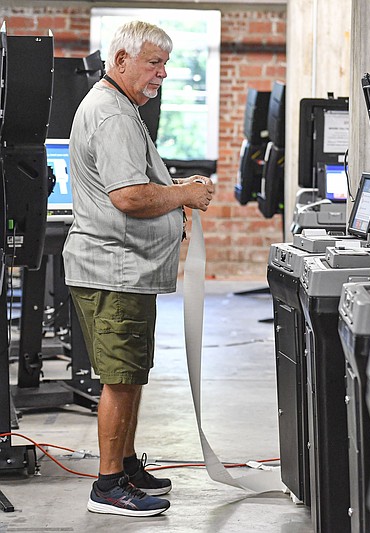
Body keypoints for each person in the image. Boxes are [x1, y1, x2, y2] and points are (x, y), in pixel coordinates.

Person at [62, 21, 215, 517]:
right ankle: (108, 486)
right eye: (154, 63)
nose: (163, 74)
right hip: (113, 270)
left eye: (165, 64)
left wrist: (174, 201)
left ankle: (125, 463)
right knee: (120, 378)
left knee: (130, 372)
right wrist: (185, 195)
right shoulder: (113, 115)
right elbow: (128, 196)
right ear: (121, 59)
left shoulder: (119, 105)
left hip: (125, 270)